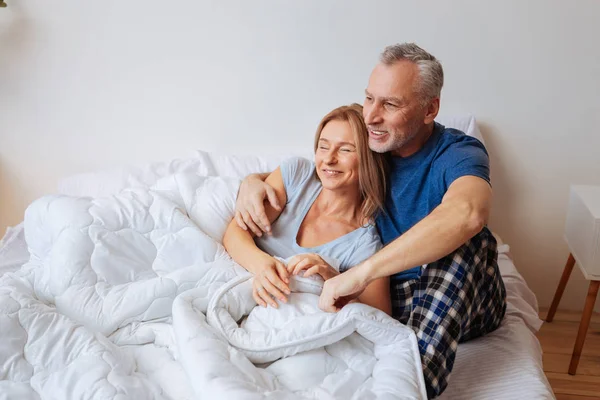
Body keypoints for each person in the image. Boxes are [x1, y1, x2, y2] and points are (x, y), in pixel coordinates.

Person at [234, 43, 507, 398]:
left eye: (390, 104)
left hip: (459, 295)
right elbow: (320, 169)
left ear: (430, 109)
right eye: (369, 99)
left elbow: (468, 213)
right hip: (386, 295)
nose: (372, 116)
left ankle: (412, 384)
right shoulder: (371, 144)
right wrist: (249, 182)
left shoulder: (457, 152)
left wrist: (358, 275)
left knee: (470, 241)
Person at [222, 103, 391, 315]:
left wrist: (332, 276)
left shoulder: (363, 245)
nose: (329, 159)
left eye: (345, 149)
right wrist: (263, 266)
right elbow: (236, 232)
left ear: (369, 158)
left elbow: (380, 317)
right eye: (323, 146)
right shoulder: (298, 176)